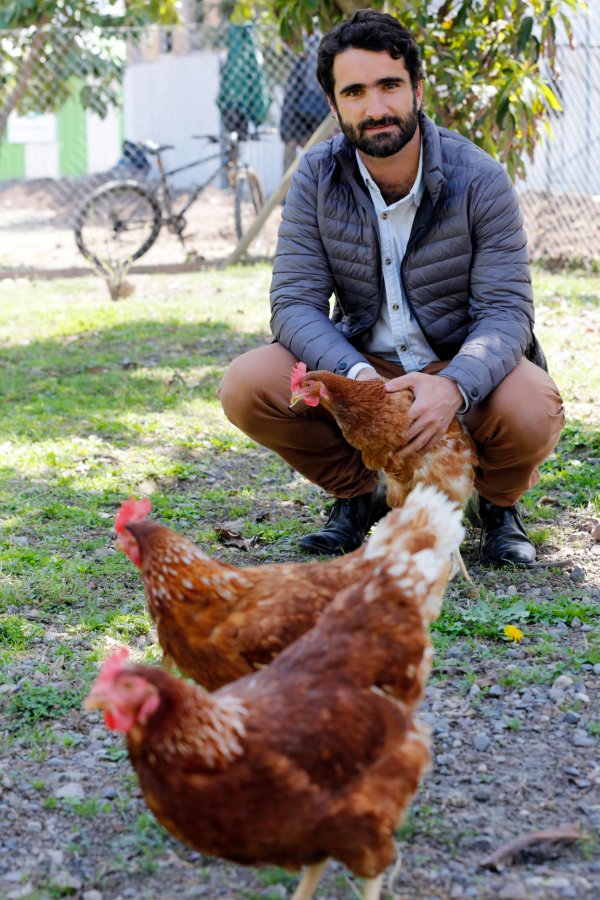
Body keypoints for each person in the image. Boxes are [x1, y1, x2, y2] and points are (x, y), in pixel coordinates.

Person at [218, 8, 565, 568]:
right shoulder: (316, 178)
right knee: (247, 383)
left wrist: (453, 384)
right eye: (354, 92)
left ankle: (497, 507)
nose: (375, 108)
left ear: (417, 89)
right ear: (334, 105)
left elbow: (507, 311)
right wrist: (358, 383)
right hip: (367, 365)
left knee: (533, 405)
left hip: (455, 363)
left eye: (389, 86)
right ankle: (360, 497)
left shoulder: (479, 177)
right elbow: (293, 304)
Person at [279, 33, 330, 173]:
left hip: (317, 121)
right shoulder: (301, 65)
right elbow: (290, 103)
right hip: (302, 121)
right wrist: (290, 137)